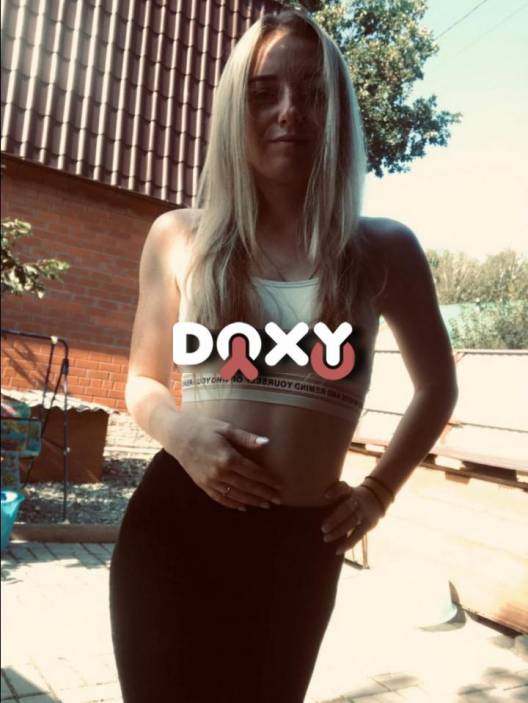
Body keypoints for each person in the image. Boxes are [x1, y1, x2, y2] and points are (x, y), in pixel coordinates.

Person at [109, 7, 458, 703]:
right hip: (175, 525)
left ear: (338, 114)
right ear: (233, 113)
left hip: (301, 548)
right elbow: (142, 382)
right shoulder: (178, 237)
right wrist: (182, 435)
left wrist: (379, 492)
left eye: (313, 92)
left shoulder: (385, 250)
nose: (290, 111)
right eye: (264, 92)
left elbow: (437, 389)